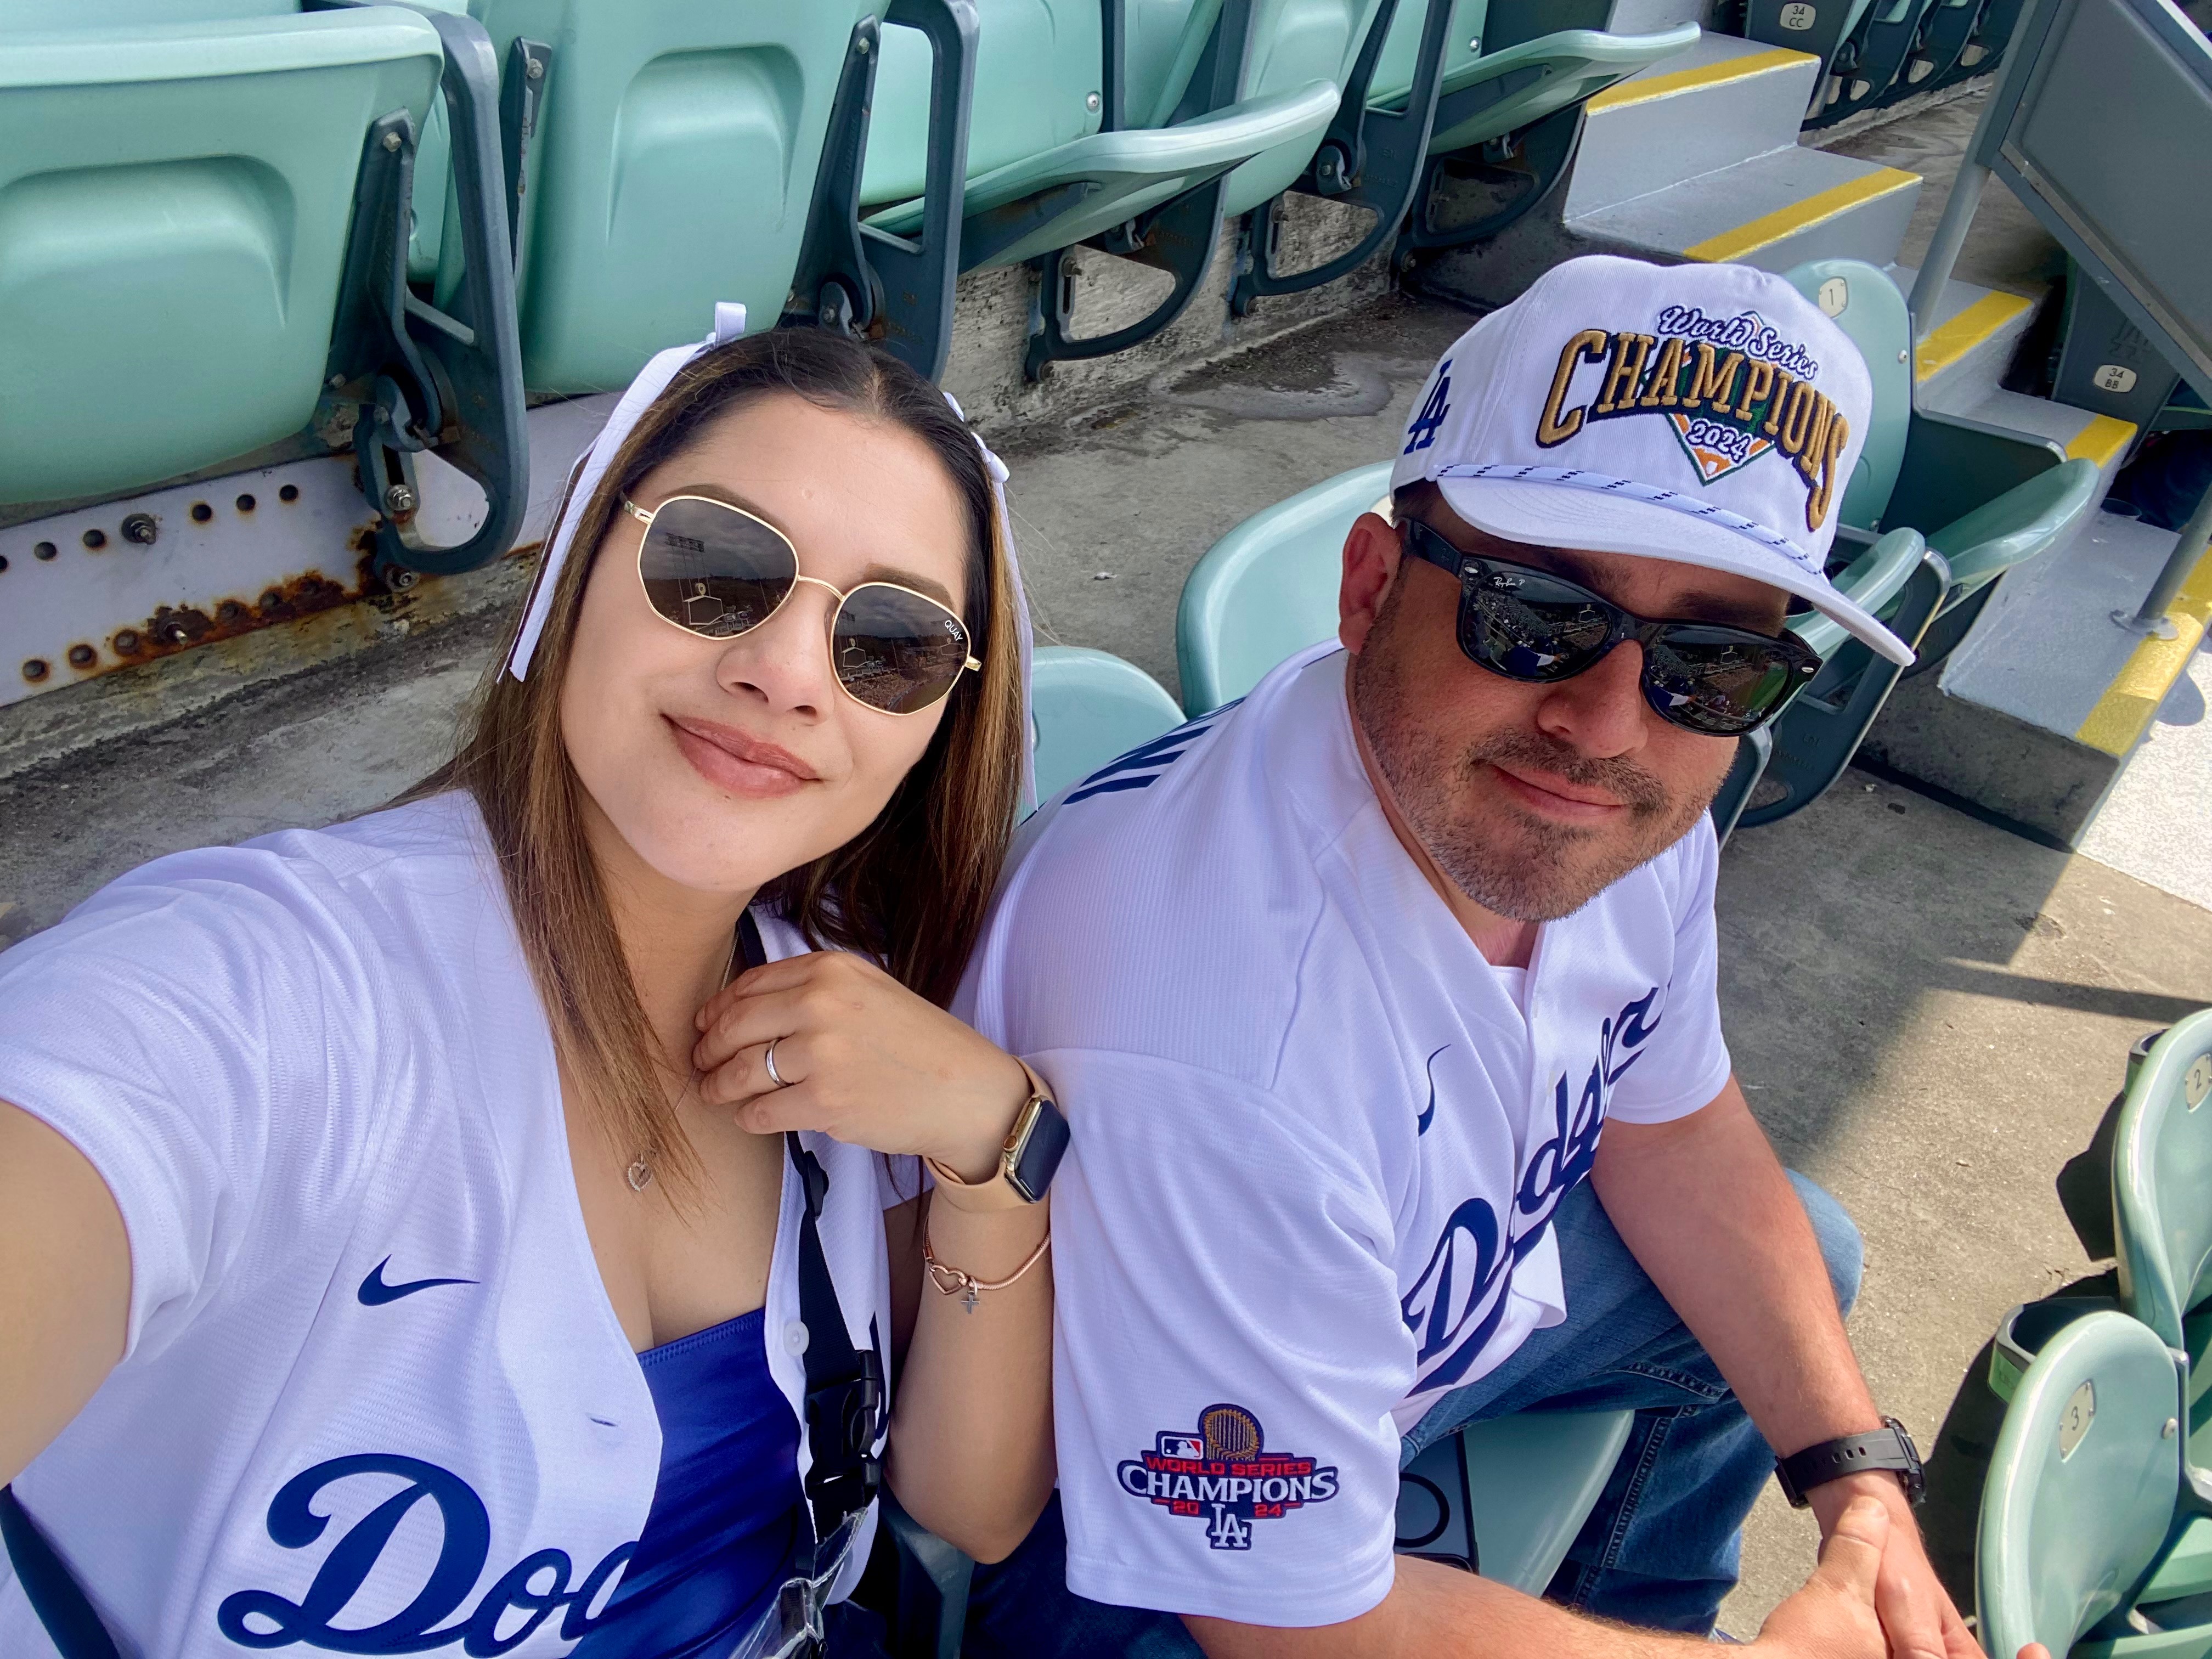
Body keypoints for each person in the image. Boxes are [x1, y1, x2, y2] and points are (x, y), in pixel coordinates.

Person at [958, 257, 2046, 1659]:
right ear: (1371, 587)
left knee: (1798, 1265)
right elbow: (1280, 1621)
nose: (1607, 728)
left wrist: (1860, 1480)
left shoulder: (1621, 813)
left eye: (1712, 662)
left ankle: (1644, 1611)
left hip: (1391, 1333)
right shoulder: (1210, 1033)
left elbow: (1671, 1132)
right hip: (1121, 1529)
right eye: (1537, 616)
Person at [0, 320, 1065, 1658]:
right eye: (716, 565)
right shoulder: (260, 991)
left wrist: (999, 1148)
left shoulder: (862, 1034)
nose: (790, 673)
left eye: (891, 643)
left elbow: (972, 1510)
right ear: (575, 567)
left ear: (939, 723)